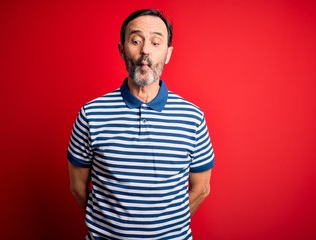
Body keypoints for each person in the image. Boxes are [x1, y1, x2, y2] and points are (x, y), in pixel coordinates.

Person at [67, 9, 215, 240]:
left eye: (156, 42)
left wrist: (166, 230)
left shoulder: (193, 117)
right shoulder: (90, 114)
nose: (145, 50)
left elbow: (201, 188)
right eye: (136, 41)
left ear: (167, 54)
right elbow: (78, 188)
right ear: (122, 49)